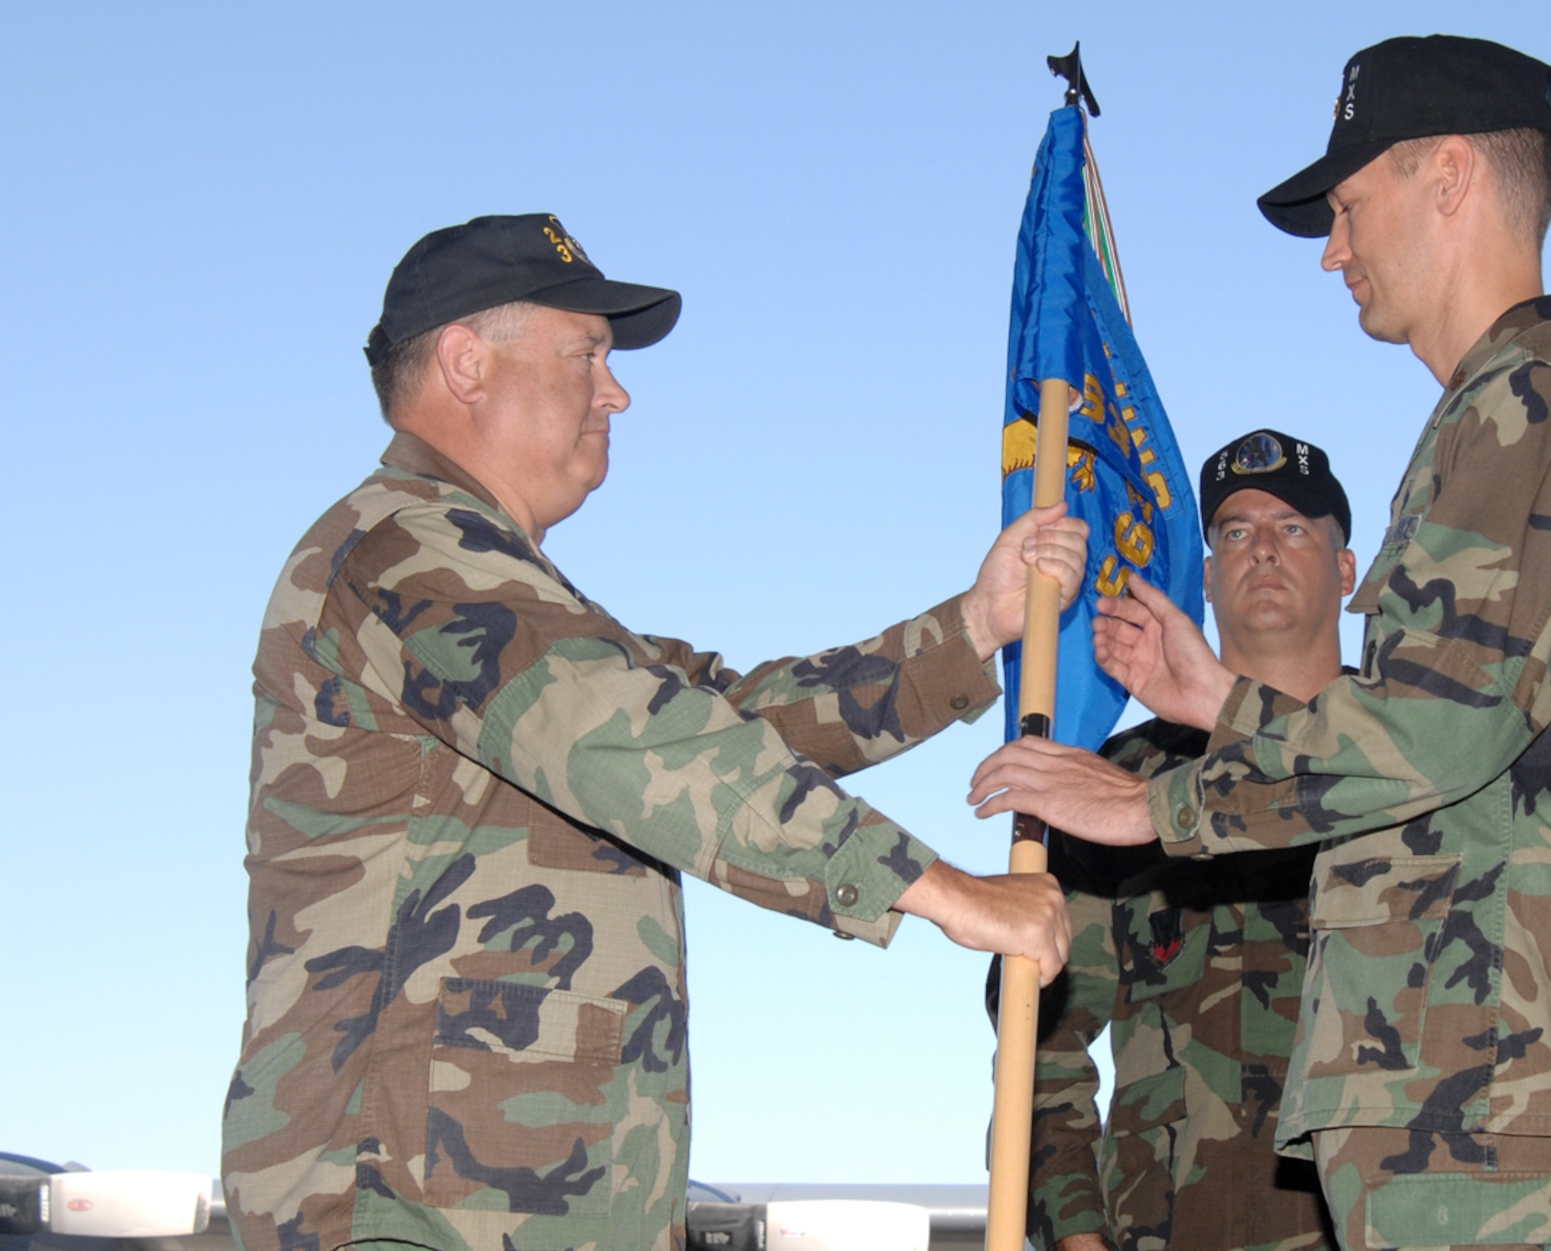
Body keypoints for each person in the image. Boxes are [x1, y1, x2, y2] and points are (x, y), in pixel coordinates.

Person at [222, 213, 1083, 1251]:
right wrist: (944, 893)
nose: (615, 391)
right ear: (465, 361)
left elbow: (723, 720)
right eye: (586, 355)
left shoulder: (506, 589)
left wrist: (972, 627)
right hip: (408, 1208)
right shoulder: (402, 548)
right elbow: (629, 740)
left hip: (519, 1202)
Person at [971, 36, 1551, 1251]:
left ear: (1448, 178)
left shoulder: (1526, 405)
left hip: (1489, 1109)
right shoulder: (1511, 410)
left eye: (1350, 206)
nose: (1333, 247)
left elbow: (1432, 732)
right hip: (1454, 1109)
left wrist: (1161, 805)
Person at [1003, 429, 1358, 1251]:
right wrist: (1077, 1235)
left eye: (1295, 527)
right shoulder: (1119, 783)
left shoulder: (1417, 766)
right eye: (1234, 531)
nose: (1262, 548)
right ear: (1205, 575)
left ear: (1347, 570)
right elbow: (1039, 1040)